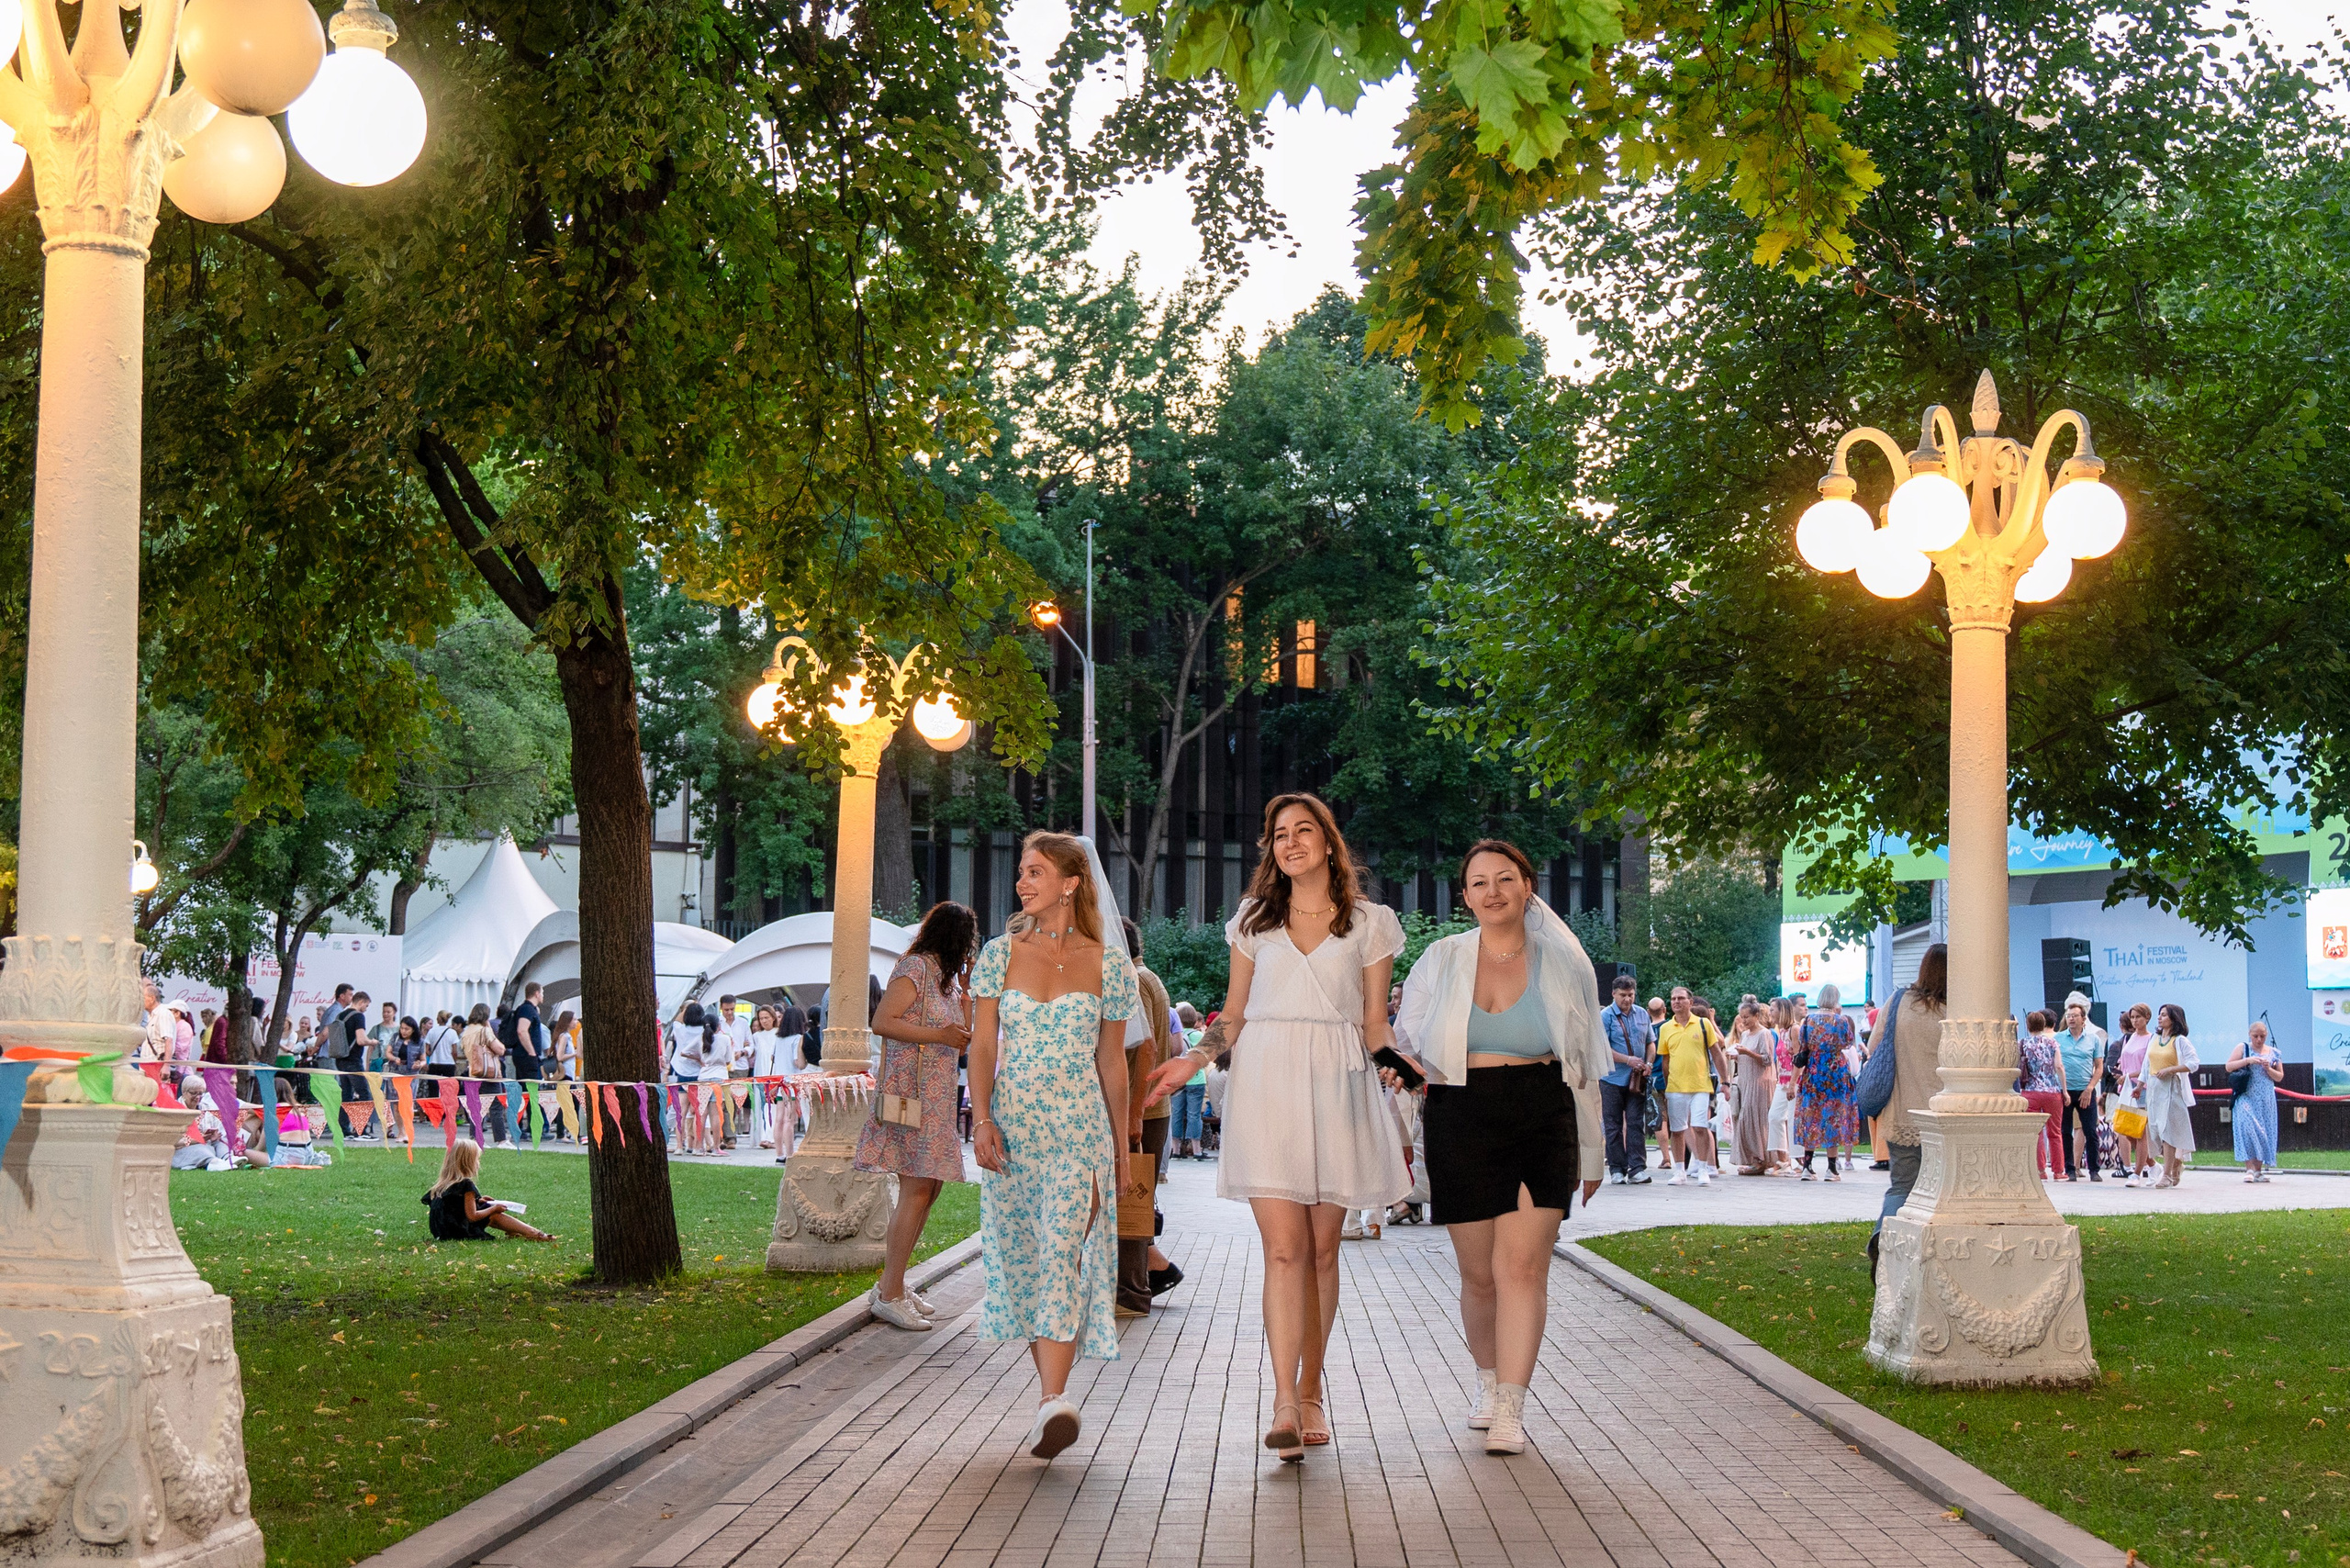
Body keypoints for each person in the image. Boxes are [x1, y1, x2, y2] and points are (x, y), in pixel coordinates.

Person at [1143, 793, 1406, 1461]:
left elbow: (1376, 1028)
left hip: (1339, 1082)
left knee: (1323, 1252)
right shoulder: (1253, 921)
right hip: (1268, 1083)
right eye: (1279, 835)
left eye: (1303, 830)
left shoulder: (1371, 923)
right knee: (1283, 1252)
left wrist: (1412, 1070)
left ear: (1327, 840)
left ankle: (1313, 1388)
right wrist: (1192, 1061)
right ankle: (1283, 1400)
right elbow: (1234, 1013)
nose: (1290, 843)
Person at [1391, 839, 1606, 1456]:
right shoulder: (1441, 958)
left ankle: (1512, 1406)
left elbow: (1587, 1063)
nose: (1492, 891)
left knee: (1522, 1268)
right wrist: (1403, 1088)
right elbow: (1404, 1045)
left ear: (1528, 886)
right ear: (1466, 896)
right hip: (1460, 1111)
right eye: (1479, 883)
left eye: (1504, 879)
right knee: (1479, 1274)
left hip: (1542, 1111)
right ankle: (1486, 1384)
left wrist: (1592, 1155)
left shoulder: (1566, 966)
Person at [968, 833, 1138, 1461]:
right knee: (1026, 1263)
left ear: (1070, 882)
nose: (1022, 882)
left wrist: (1121, 1151)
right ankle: (1052, 1401)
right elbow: (983, 1045)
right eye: (1021, 872)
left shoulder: (1107, 963)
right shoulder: (998, 954)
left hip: (1079, 1134)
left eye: (1035, 871)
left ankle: (1053, 1401)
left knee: (1062, 1256)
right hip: (1012, 1134)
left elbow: (1113, 1063)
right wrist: (981, 1119)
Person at [856, 901, 978, 1329]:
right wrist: (937, 1034)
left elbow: (961, 1040)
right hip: (910, 1098)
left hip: (937, 1099)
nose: (970, 952)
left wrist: (965, 990)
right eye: (967, 944)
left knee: (931, 1188)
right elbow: (882, 1021)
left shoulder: (946, 983)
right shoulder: (915, 969)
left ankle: (895, 1281)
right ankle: (888, 1292)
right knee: (917, 1188)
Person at [1863, 945, 1946, 1271]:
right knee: (1943, 1190)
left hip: (1902, 1113)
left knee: (1902, 1185)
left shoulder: (1898, 1002)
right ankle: (1929, 1254)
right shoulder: (1957, 1010)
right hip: (1945, 1115)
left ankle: (1884, 1236)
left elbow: (1874, 1047)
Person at [1119, 917, 1182, 1312]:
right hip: (1149, 1106)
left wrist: (1132, 1115)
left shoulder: (1133, 979)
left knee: (1130, 1203)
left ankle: (1130, 1293)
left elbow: (1142, 1045)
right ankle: (1145, 1279)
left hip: (1139, 1108)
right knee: (1136, 1202)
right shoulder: (1149, 976)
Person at [424, 1138, 555, 1242]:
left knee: (485, 1206)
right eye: (477, 1160)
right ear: (468, 1162)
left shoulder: (442, 1185)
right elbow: (472, 1216)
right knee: (493, 1215)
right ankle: (534, 1233)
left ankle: (516, 1231)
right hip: (458, 1232)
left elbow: (454, 1208)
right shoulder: (466, 1184)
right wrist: (493, 1208)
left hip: (442, 1232)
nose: (478, 1163)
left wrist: (479, 1201)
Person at [1657, 987, 1726, 1184]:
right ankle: (1680, 1171)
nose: (1676, 1002)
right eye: (1673, 999)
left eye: (1681, 998)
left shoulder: (1703, 1024)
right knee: (1678, 1130)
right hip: (1676, 1086)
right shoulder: (1666, 1028)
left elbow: (1717, 1053)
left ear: (1690, 1001)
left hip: (1700, 1085)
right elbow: (1665, 1061)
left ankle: (1703, 1167)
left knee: (1700, 1126)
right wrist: (1666, 1084)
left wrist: (1725, 1081)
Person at [1792, 984, 1858, 1179]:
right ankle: (1831, 1168)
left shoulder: (1808, 1020)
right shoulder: (1841, 1021)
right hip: (1836, 1074)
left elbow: (1803, 1045)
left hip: (1813, 1072)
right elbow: (1848, 1042)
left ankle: (1807, 1166)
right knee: (1833, 1117)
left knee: (1811, 1116)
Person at [1598, 975, 1654, 1184]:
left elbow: (1650, 1042)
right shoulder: (1605, 1016)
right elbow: (1602, 1048)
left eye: (1631, 995)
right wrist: (1628, 1060)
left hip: (1636, 1079)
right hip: (1611, 1078)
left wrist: (1648, 1063)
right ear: (1613, 994)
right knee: (1612, 1125)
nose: (1627, 999)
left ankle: (1637, 1168)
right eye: (1623, 995)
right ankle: (1616, 1169)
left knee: (1635, 1122)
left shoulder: (1642, 1014)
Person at [2143, 1003, 2199, 1188]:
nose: (2159, 1018)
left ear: (2174, 1018)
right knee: (2156, 1130)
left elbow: (2193, 1063)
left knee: (2168, 1130)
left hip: (2171, 1089)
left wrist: (2171, 1069)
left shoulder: (2180, 1041)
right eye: (2159, 1014)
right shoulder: (2154, 1039)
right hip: (2154, 1088)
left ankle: (2166, 1174)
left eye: (2164, 1015)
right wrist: (2140, 1085)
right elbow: (2146, 1064)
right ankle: (2174, 1163)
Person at [2055, 992, 2105, 1182]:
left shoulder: (2093, 1040)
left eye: (2075, 1016)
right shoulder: (2058, 1039)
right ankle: (2070, 1169)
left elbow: (2099, 1067)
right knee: (2065, 1131)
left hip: (2086, 1090)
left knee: (2090, 1131)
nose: (2071, 1019)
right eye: (2068, 1016)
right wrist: (2063, 1090)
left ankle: (2094, 1170)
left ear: (2083, 1019)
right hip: (2065, 1091)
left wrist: (2090, 1088)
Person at [2227, 1020, 2282, 1182]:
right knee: (2246, 1127)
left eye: (2262, 1036)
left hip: (2266, 1097)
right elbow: (2228, 1066)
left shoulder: (2274, 1052)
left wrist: (2268, 1068)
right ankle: (2249, 1167)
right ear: (2250, 1035)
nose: (2259, 1039)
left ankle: (2258, 1169)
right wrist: (2247, 1061)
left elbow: (2279, 1076)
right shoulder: (2243, 1048)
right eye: (2255, 1036)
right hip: (2246, 1094)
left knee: (2264, 1131)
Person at [2017, 1011, 2067, 1179]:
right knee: (2055, 1132)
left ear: (2028, 1025)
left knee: (2035, 1132)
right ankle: (2059, 1171)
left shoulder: (2022, 1043)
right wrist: (2064, 1091)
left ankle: (2040, 1170)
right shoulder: (2052, 1043)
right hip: (2052, 1092)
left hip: (2030, 1092)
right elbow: (2059, 1067)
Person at [1728, 999, 1776, 1175]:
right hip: (1746, 1082)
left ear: (1756, 1016)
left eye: (1747, 1017)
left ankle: (1762, 1159)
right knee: (1745, 1120)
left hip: (1760, 1083)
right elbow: (1746, 1056)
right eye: (1741, 1017)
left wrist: (1746, 1052)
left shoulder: (1764, 1034)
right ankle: (1754, 1158)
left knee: (1756, 1119)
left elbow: (1767, 1060)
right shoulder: (1745, 1035)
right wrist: (1736, 1056)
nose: (1744, 1021)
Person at [2110, 1003, 2155, 1184]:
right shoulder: (2129, 1039)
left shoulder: (2151, 1039)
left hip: (2142, 1088)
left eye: (2138, 1017)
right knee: (2126, 1129)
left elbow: (2147, 1067)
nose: (2135, 1021)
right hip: (2127, 1088)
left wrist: (2131, 1076)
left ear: (2147, 1018)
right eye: (2133, 1017)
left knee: (2141, 1132)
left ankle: (2136, 1173)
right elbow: (2124, 1061)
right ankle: (2152, 1165)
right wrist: (2120, 1074)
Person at [460, 1003, 510, 1146]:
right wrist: (489, 1028)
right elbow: (500, 1049)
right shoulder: (484, 1031)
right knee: (496, 1106)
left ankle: (475, 1138)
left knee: (476, 1108)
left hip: (472, 1073)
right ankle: (501, 1139)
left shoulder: (467, 1031)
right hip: (488, 1074)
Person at [1169, 1002, 1209, 1159]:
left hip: (1179, 1079)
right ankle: (1197, 1150)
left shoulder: (1176, 1034)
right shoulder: (1198, 1036)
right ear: (1194, 1019)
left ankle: (1176, 1149)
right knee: (1194, 1115)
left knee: (1177, 1114)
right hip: (1196, 1079)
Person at [1766, 997, 1800, 1173]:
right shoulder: (1780, 1031)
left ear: (1782, 1010)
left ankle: (1799, 1161)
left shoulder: (1795, 1029)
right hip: (1782, 1080)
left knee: (1794, 1120)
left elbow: (1798, 1057)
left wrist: (1793, 1083)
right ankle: (1783, 1158)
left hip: (1794, 1080)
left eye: (1773, 1009)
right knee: (1775, 1116)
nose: (1770, 1013)